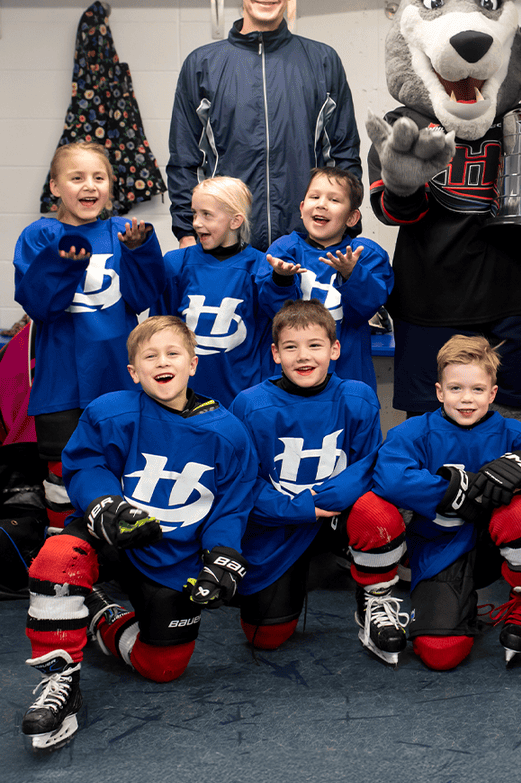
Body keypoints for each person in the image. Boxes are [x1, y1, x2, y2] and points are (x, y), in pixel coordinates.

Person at [19, 317, 258, 750]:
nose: (162, 362)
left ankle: (100, 615)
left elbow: (231, 508)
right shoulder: (110, 411)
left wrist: (221, 554)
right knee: (58, 557)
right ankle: (59, 681)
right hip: (114, 534)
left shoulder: (230, 433)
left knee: (163, 666)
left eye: (172, 354)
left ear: (192, 364)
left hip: (174, 555)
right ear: (133, 372)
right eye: (150, 356)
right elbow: (86, 465)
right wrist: (105, 503)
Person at [346, 335, 521, 671]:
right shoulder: (415, 432)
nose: (466, 399)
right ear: (440, 391)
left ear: (492, 393)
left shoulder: (515, 434)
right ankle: (380, 598)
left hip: (495, 547)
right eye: (456, 388)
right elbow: (390, 478)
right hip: (442, 546)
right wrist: (460, 488)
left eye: (477, 389)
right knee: (441, 653)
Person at [167, 0, 362, 253]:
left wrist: (345, 231)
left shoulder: (323, 61)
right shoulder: (202, 65)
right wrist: (187, 231)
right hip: (226, 243)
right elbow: (185, 160)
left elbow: (344, 155)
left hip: (307, 244)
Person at [14, 141, 164, 531]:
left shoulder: (123, 232)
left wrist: (140, 252)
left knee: (121, 468)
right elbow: (41, 306)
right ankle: (64, 553)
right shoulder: (39, 235)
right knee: (62, 479)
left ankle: (117, 551)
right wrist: (64, 262)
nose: (89, 186)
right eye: (76, 177)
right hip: (61, 382)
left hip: (118, 376)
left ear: (111, 186)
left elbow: (143, 297)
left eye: (99, 177)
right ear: (55, 187)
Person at [230, 301, 382, 651]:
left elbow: (369, 465)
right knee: (264, 637)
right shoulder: (250, 405)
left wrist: (327, 500)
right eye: (291, 347)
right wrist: (302, 508)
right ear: (275, 354)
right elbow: (242, 483)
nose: (303, 356)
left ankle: (375, 595)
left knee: (379, 514)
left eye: (315, 345)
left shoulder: (358, 398)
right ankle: (298, 571)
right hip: (280, 520)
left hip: (338, 516)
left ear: (334, 349)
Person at [152, 177, 294, 407]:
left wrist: (282, 281)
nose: (196, 223)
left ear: (235, 221)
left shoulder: (261, 266)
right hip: (183, 396)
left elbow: (284, 321)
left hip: (242, 396)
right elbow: (158, 328)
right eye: (194, 213)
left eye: (207, 215)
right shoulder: (175, 263)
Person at [265, 167, 392, 392]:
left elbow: (363, 310)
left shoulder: (365, 254)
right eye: (314, 197)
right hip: (291, 374)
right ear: (302, 208)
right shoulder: (284, 250)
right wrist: (281, 280)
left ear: (352, 217)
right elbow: (272, 312)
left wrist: (352, 274)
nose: (322, 204)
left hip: (347, 373)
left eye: (334, 200)